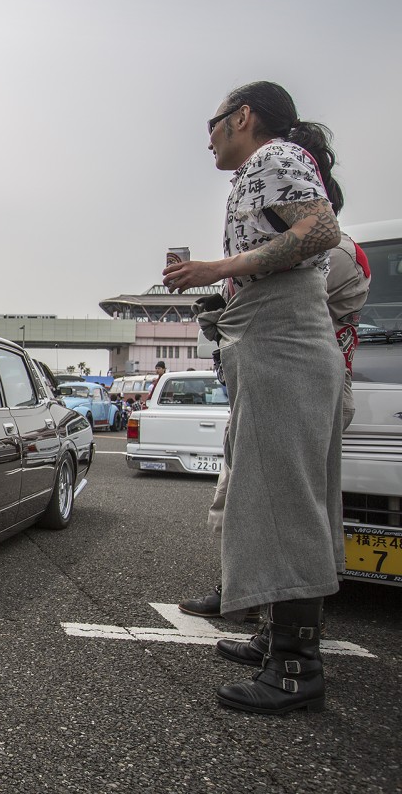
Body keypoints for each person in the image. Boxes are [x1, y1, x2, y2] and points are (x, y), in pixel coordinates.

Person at [164, 81, 345, 714]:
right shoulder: (262, 172)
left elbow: (323, 230)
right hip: (271, 345)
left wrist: (217, 269)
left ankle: (296, 666)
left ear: (243, 118)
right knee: (266, 492)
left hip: (284, 349)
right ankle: (276, 638)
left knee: (283, 498)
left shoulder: (275, 157)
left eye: (214, 122)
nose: (209, 135)